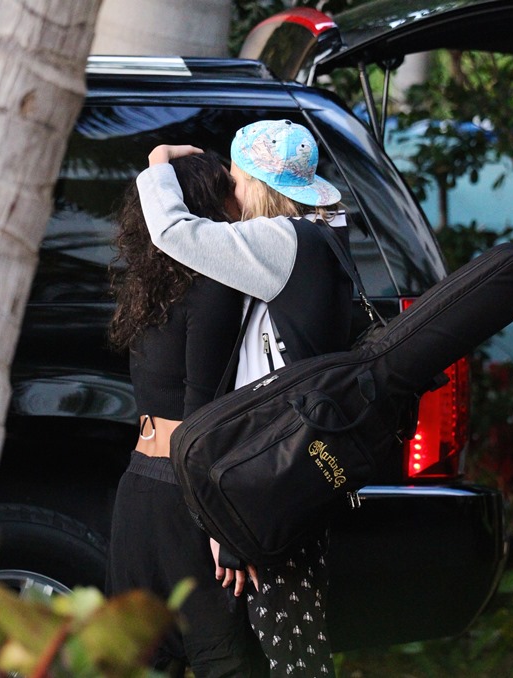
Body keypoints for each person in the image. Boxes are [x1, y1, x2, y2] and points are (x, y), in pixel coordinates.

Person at [136, 119, 354, 676]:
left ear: (257, 184)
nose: (229, 192)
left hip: (276, 482)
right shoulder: (319, 235)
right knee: (291, 650)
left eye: (235, 179)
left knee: (291, 656)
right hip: (292, 472)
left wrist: (159, 162)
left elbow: (174, 231)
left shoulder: (283, 243)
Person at [106, 152, 268, 676]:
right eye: (228, 191)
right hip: (184, 495)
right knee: (227, 660)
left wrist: (169, 160)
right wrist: (219, 529)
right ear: (209, 206)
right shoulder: (213, 288)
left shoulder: (148, 287)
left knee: (141, 662)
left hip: (138, 491)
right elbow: (202, 419)